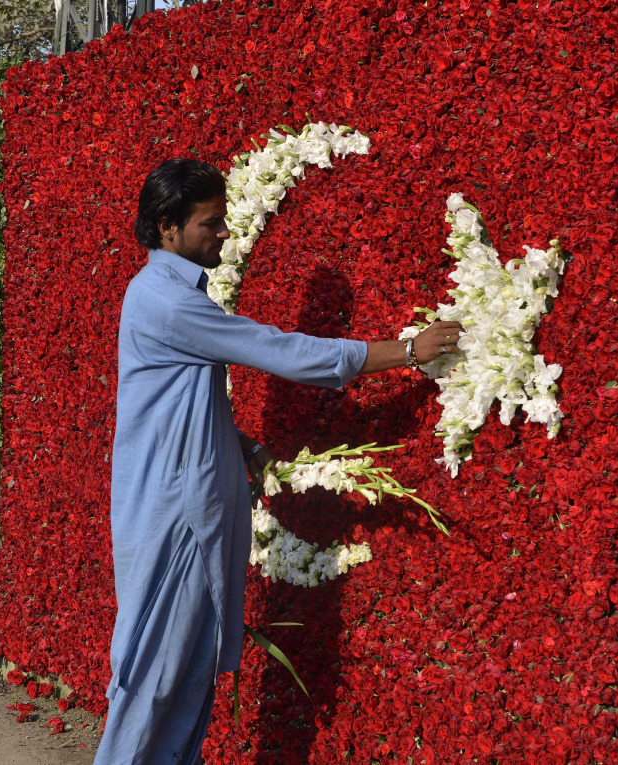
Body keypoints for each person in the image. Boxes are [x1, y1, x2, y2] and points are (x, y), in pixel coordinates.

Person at [96, 158, 460, 764]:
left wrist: (246, 448)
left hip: (186, 506)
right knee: (154, 680)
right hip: (175, 518)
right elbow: (274, 349)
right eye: (211, 224)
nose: (224, 234)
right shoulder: (166, 301)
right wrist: (407, 351)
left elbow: (175, 405)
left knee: (186, 676)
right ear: (167, 226)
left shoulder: (168, 294)